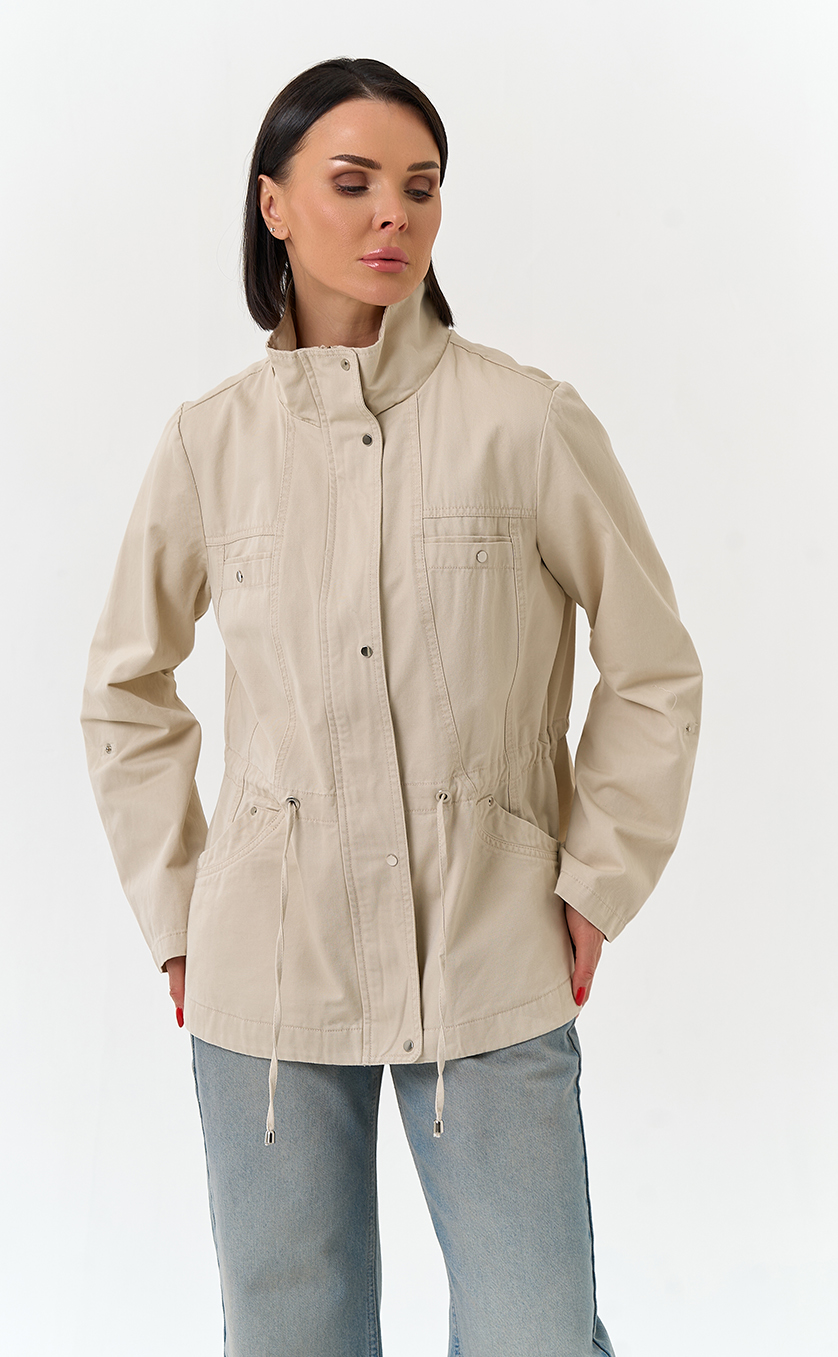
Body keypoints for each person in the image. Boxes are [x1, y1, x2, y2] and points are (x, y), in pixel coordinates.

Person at [81, 56, 702, 1357]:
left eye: (419, 189)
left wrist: (596, 881)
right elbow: (126, 689)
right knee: (291, 1333)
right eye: (353, 182)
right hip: (268, 958)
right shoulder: (211, 442)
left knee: (535, 1333)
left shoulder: (525, 423)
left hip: (489, 945)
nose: (392, 217)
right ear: (273, 204)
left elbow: (653, 666)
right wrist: (179, 913)